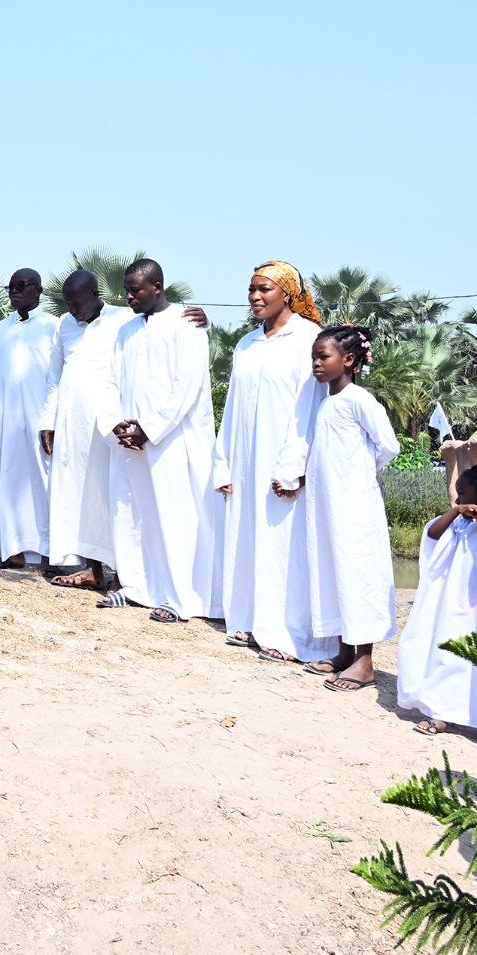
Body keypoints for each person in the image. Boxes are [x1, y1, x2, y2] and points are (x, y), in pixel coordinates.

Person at [214, 260, 335, 665]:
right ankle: (249, 620)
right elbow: (232, 409)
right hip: (246, 461)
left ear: (287, 292)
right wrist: (224, 463)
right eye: (251, 289)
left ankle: (287, 631)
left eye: (264, 289)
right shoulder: (246, 344)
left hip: (286, 461)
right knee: (248, 538)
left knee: (285, 546)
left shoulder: (310, 339)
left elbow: (312, 408)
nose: (255, 297)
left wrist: (294, 465)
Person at [276, 325, 399, 690]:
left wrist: (357, 474)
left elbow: (388, 445)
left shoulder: (359, 399)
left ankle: (364, 661)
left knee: (358, 574)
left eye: (322, 356)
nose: (315, 363)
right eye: (313, 356)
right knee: (334, 574)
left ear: (348, 360)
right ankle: (344, 652)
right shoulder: (327, 401)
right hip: (326, 505)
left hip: (354, 505)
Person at [97, 259, 220, 621]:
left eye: (135, 290)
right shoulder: (126, 330)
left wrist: (150, 428)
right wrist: (117, 425)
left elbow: (188, 385)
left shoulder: (186, 325)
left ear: (157, 287)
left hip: (172, 441)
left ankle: (180, 598)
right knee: (133, 514)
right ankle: (137, 588)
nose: (129, 296)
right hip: (131, 443)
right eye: (126, 290)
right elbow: (110, 381)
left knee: (175, 516)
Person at [397, 460, 477, 736]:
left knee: (474, 663)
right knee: (444, 655)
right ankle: (440, 711)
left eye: (463, 494)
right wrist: (455, 511)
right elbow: (431, 534)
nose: (457, 499)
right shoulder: (457, 525)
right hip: (447, 606)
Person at [42, 270, 132, 589]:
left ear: (95, 293)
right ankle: (93, 571)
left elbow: (162, 316)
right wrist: (48, 422)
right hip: (71, 424)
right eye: (68, 304)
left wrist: (193, 315)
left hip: (108, 424)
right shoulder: (64, 326)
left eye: (77, 303)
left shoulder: (123, 319)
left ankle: (125, 575)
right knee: (78, 493)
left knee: (112, 495)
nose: (72, 310)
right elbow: (54, 376)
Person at [0, 269, 59, 568]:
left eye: (21, 286)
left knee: (44, 481)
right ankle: (12, 549)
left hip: (42, 422)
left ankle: (50, 551)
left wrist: (50, 419)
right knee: (10, 481)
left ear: (38, 291)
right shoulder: (0, 329)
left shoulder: (54, 326)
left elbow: (57, 377)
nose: (14, 291)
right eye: (10, 287)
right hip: (6, 420)